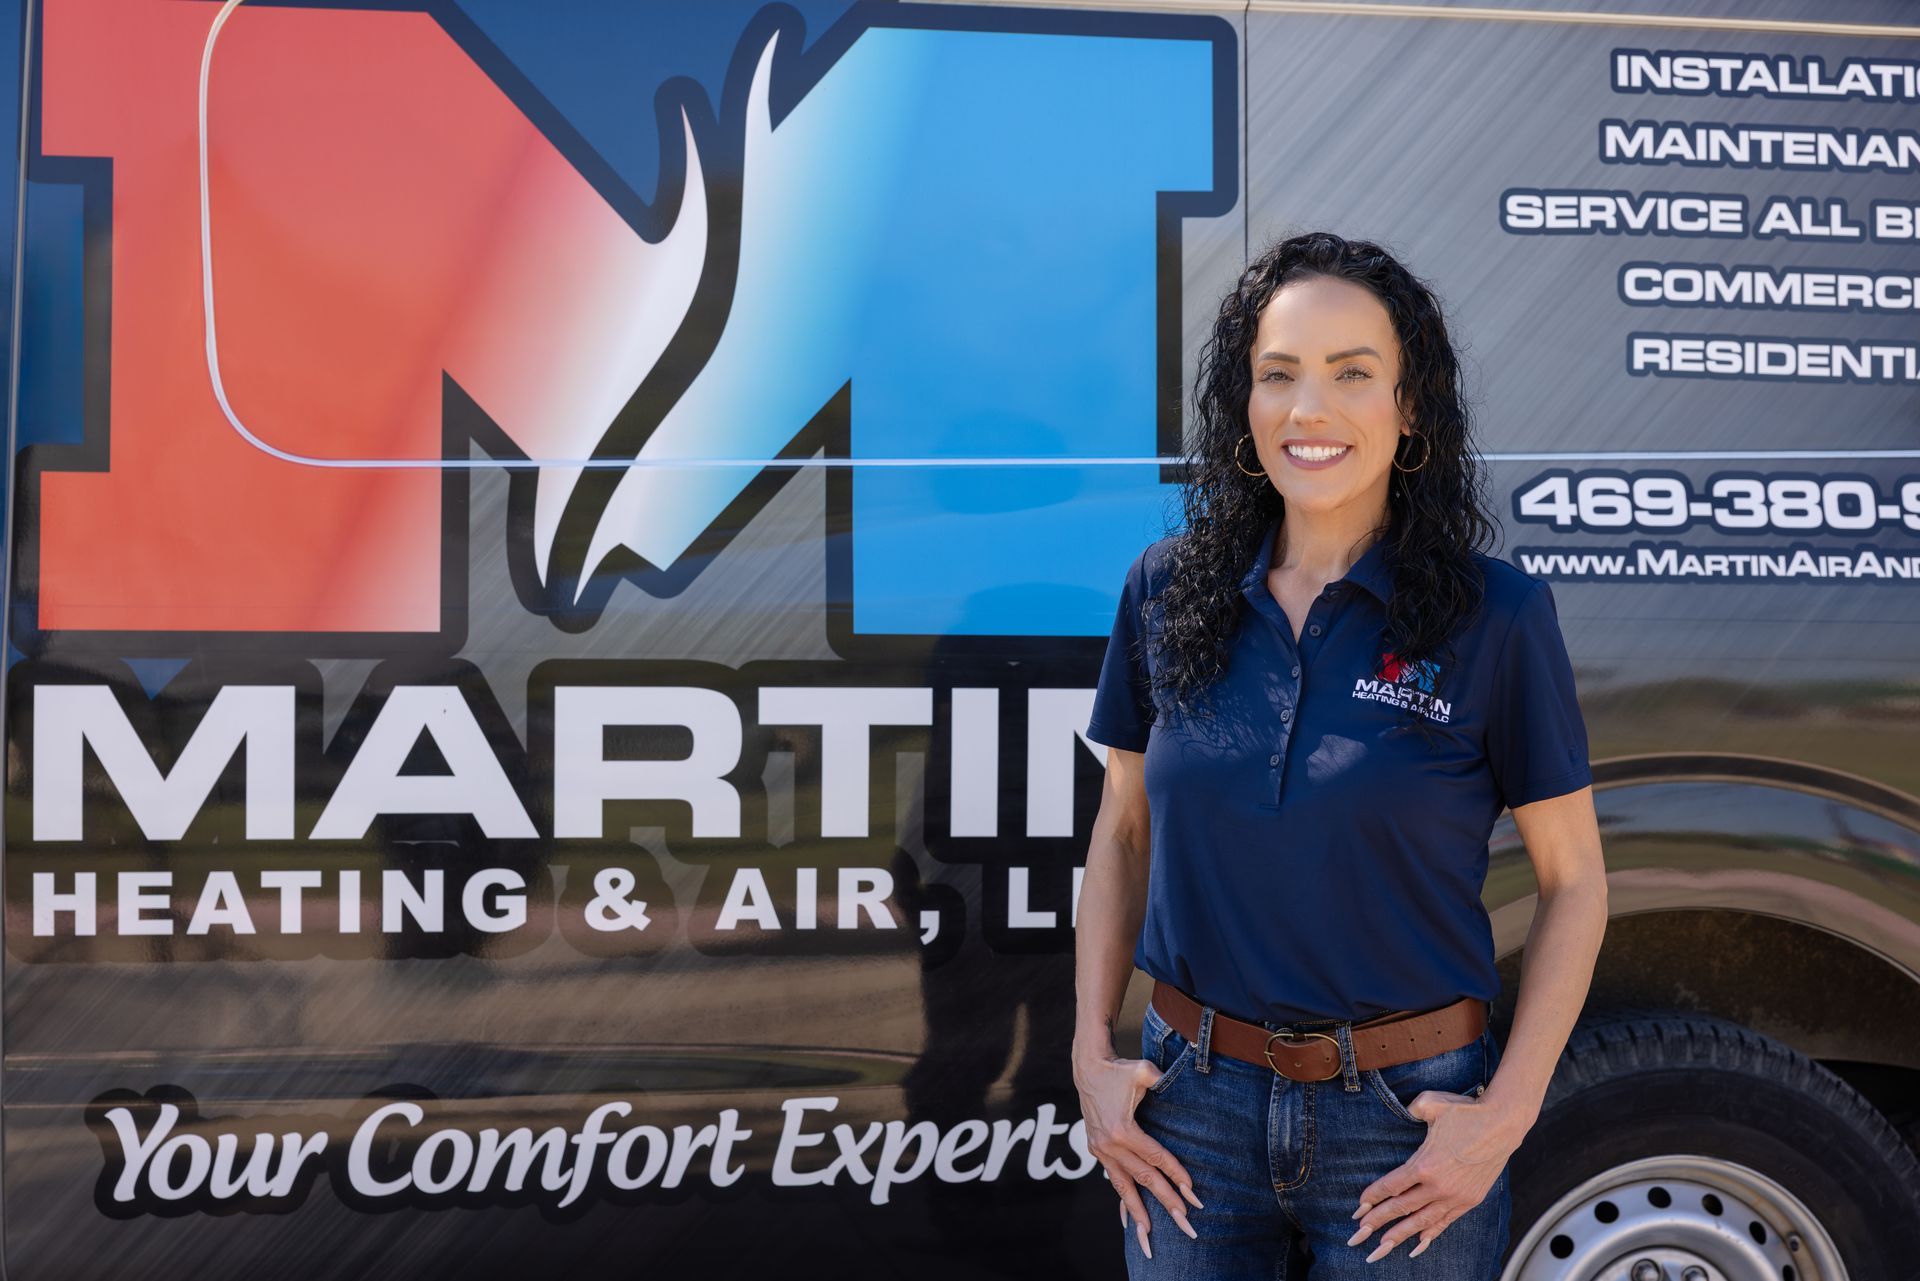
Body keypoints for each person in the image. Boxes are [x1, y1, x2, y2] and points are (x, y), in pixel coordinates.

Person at [1072, 231, 1608, 1278]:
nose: (1309, 409)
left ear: (1410, 411)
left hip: (1405, 1126)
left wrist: (1504, 1116)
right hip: (1189, 1122)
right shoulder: (1164, 591)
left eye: (1352, 375)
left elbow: (1578, 882)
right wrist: (1091, 1056)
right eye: (1278, 377)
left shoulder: (1496, 616)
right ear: (1245, 410)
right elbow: (1122, 832)